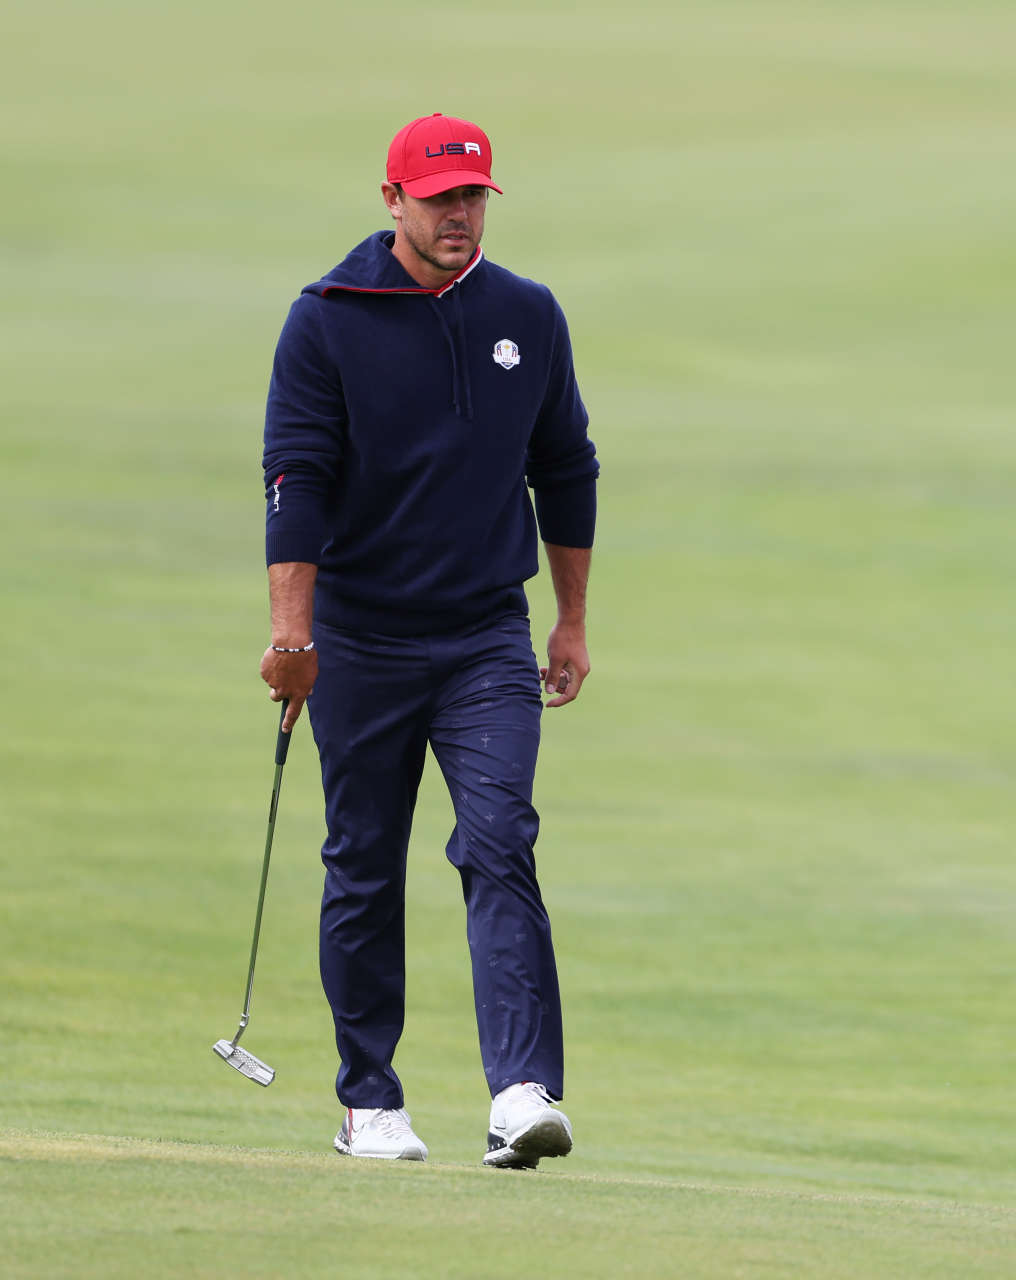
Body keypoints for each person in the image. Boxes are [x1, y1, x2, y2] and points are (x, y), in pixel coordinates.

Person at [259, 112, 599, 1169]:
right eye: (440, 198)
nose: (460, 217)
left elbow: (567, 466)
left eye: (474, 198)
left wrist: (572, 616)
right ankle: (370, 1097)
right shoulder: (327, 320)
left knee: (501, 837)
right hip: (359, 635)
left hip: (485, 632)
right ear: (392, 201)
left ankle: (522, 1091)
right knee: (363, 861)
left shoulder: (527, 315)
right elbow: (297, 479)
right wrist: (291, 632)